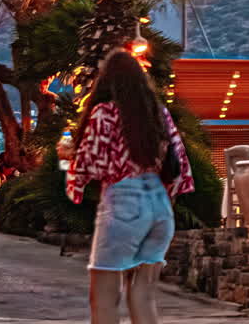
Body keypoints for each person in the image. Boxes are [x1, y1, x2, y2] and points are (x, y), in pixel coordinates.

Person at [59, 50, 194, 324]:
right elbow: (180, 164)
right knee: (143, 295)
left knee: (104, 296)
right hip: (159, 206)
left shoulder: (104, 113)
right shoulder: (160, 114)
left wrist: (68, 158)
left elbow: (89, 163)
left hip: (124, 203)